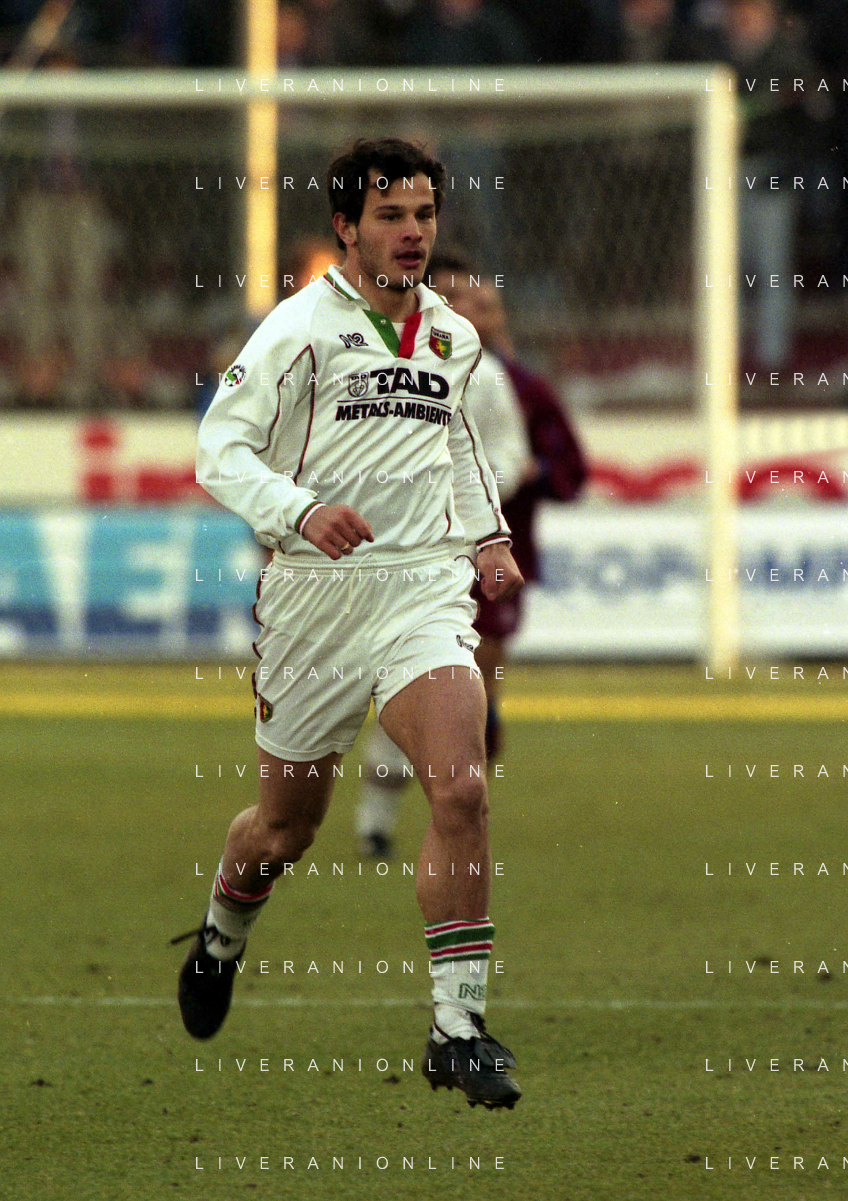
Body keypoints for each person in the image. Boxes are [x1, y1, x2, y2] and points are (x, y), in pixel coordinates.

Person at [176, 138, 523, 1110]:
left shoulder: (451, 335)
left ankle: (457, 1027)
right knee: (283, 830)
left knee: (461, 788)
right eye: (390, 216)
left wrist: (488, 537)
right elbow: (219, 449)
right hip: (314, 600)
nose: (412, 233)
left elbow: (460, 449)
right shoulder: (298, 329)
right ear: (346, 227)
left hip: (421, 590)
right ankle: (221, 935)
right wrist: (299, 510)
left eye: (423, 214)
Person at [355, 250, 586, 857]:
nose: (470, 310)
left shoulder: (502, 382)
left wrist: (486, 497)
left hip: (485, 559)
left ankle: (450, 812)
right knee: (412, 684)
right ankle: (379, 818)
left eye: (481, 301)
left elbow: (537, 463)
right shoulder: (369, 363)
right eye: (455, 297)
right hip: (400, 559)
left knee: (468, 694)